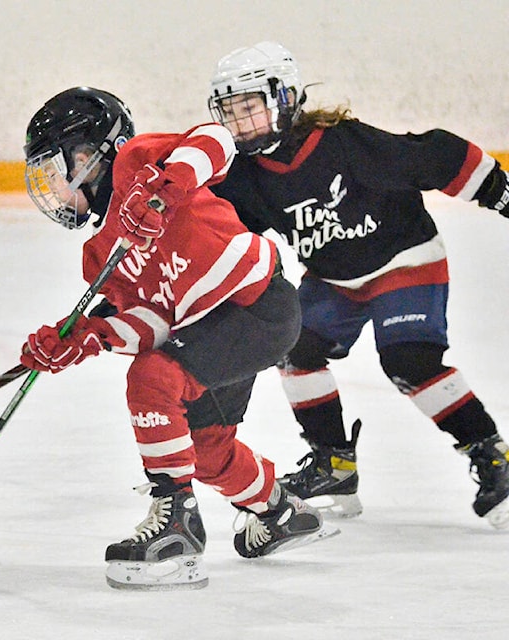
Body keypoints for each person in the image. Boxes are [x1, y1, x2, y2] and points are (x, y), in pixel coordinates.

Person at [19, 86, 337, 590]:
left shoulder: (137, 163)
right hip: (210, 332)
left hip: (256, 306)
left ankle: (178, 529)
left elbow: (215, 140)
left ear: (86, 155)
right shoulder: (100, 256)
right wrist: (90, 337)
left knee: (152, 378)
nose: (54, 189)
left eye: (55, 171)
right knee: (208, 450)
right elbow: (153, 323)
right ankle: (278, 511)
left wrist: (166, 188)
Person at [206, 41, 509, 528]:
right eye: (231, 112)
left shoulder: (342, 144)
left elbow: (433, 155)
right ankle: (335, 465)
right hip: (334, 279)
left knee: (409, 359)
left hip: (404, 259)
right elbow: (216, 231)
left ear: (283, 98)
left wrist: (498, 191)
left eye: (251, 108)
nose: (241, 123)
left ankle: (493, 455)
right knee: (294, 345)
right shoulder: (245, 177)